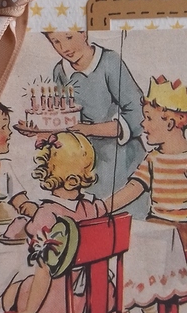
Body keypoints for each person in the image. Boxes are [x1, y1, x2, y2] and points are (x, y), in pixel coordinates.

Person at [1, 132, 127, 313]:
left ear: (47, 172)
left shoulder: (47, 215)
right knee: (26, 290)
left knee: (10, 299)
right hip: (99, 300)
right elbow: (114, 202)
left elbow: (44, 271)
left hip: (60, 306)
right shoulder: (92, 208)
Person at [108, 75, 187, 313]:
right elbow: (134, 188)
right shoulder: (153, 159)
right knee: (117, 245)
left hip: (184, 230)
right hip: (156, 227)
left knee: (136, 252)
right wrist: (103, 207)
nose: (142, 125)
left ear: (169, 123)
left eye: (148, 118)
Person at [43, 31, 146, 214]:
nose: (64, 48)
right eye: (55, 41)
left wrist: (89, 130)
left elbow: (138, 115)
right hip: (86, 170)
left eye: (69, 37)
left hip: (122, 167)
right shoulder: (60, 71)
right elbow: (65, 119)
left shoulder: (109, 62)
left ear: (83, 33)